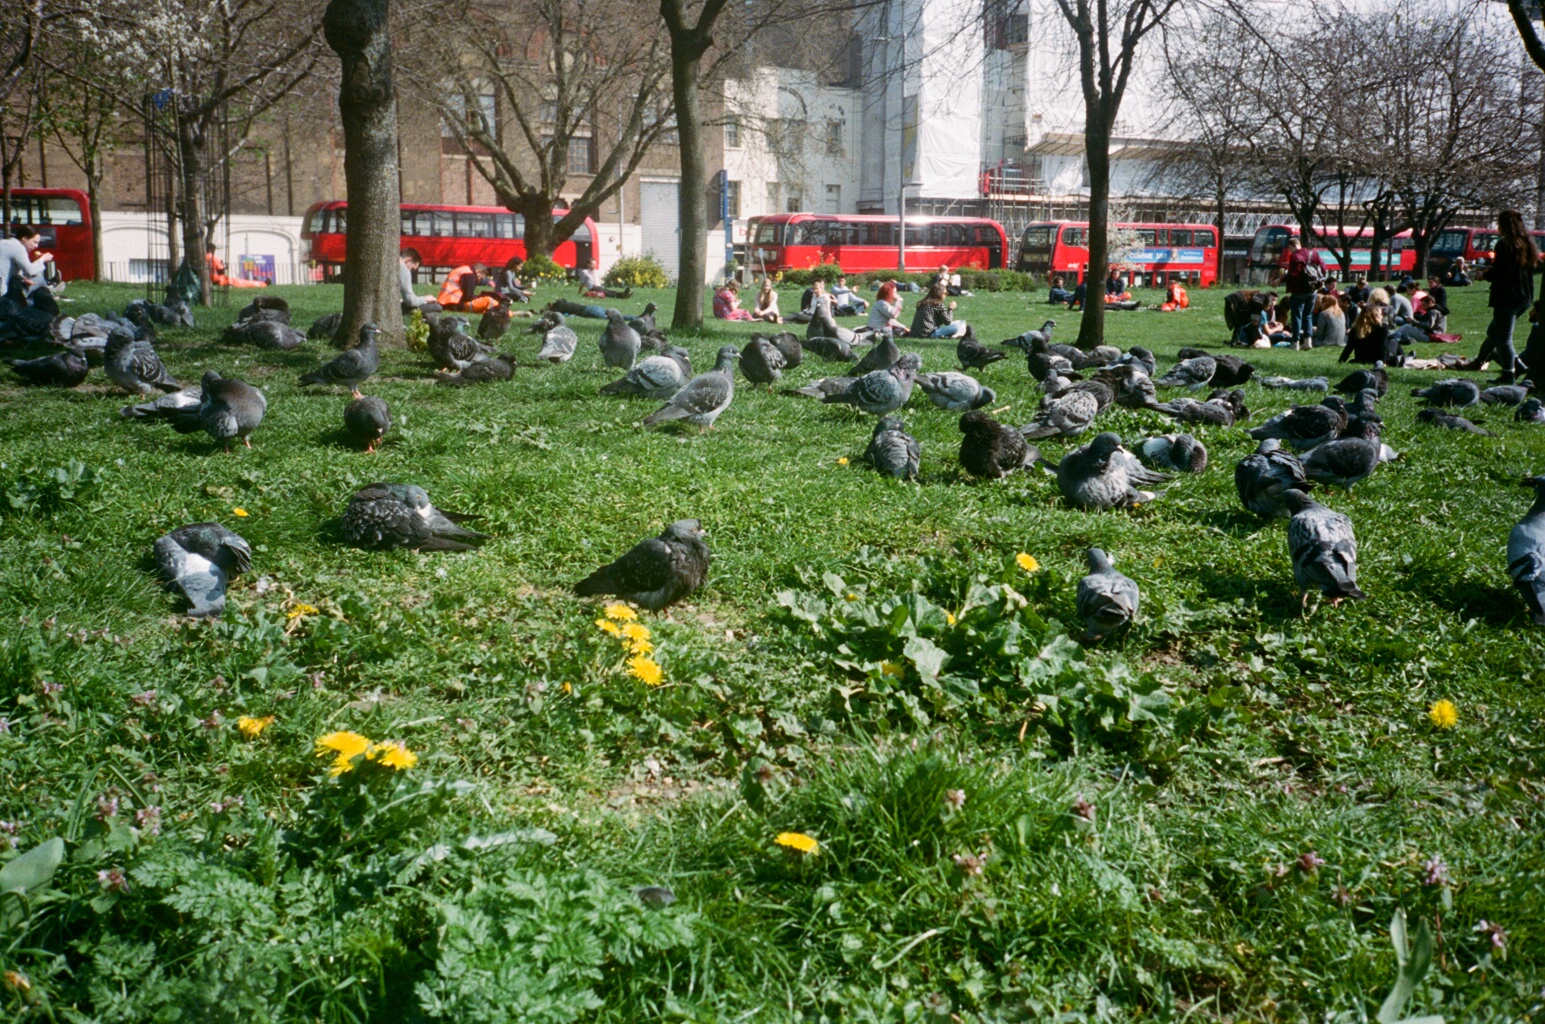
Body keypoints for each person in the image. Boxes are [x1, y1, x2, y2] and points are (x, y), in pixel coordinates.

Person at [1464, 210, 1540, 383]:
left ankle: (1509, 374)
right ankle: (1518, 366)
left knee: (1503, 338)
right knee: (1493, 332)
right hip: (1524, 296)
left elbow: (1501, 273)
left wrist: (1483, 275)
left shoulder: (1504, 245)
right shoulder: (1527, 244)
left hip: (1507, 297)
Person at [1275, 237, 1327, 346]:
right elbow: (1323, 268)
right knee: (1308, 315)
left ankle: (1295, 342)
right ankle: (1308, 341)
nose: (1290, 251)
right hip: (1312, 290)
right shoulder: (1313, 254)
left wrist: (1281, 279)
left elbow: (1294, 274)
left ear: (1292, 246)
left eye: (1289, 249)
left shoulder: (1295, 256)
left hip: (1298, 291)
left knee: (1296, 316)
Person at [0, 225, 53, 295]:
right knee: (40, 279)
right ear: (24, 238)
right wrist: (42, 260)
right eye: (35, 242)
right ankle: (51, 289)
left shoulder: (3, 242)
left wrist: (22, 279)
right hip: (5, 293)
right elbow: (30, 271)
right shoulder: (18, 248)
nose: (36, 246)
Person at [398, 249, 440, 313]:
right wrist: (425, 299)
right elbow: (411, 301)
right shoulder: (404, 270)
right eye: (412, 269)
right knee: (437, 307)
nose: (410, 271)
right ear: (408, 260)